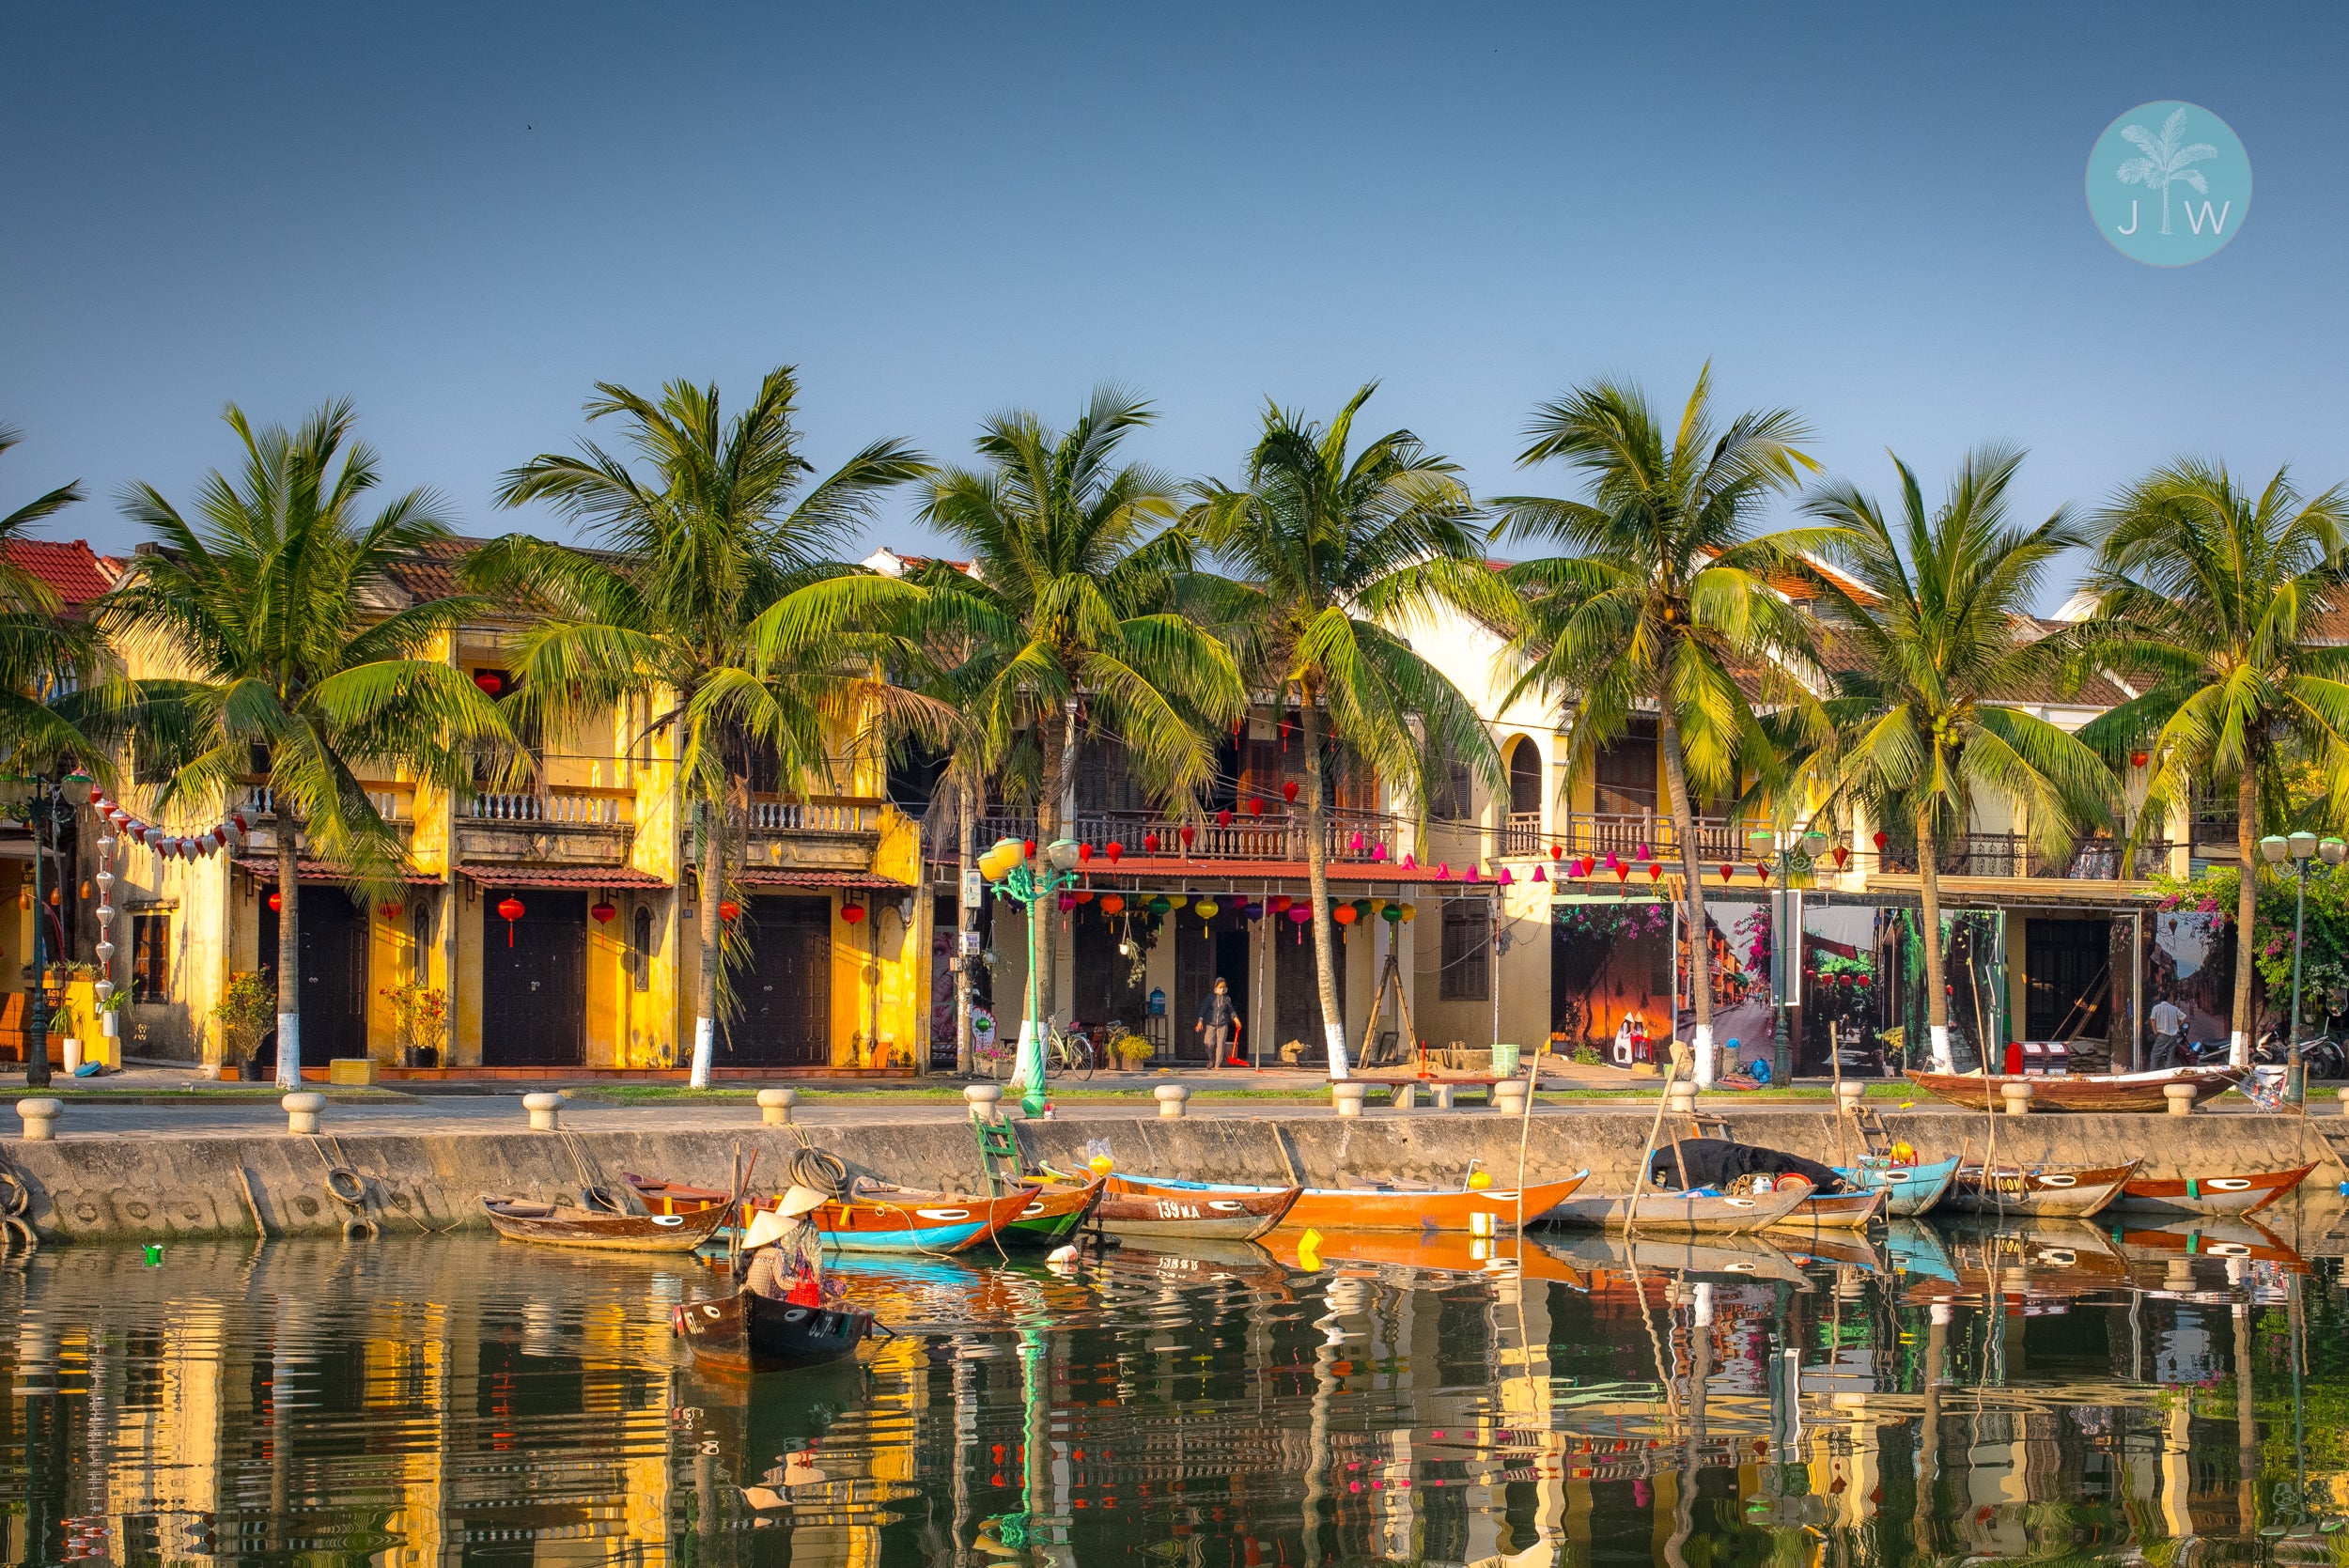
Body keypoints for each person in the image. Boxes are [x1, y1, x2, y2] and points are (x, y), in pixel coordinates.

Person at [740, 1186, 829, 1307]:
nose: (814, 1210)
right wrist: (796, 1281)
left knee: (831, 1288)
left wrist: (818, 1273)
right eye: (811, 1208)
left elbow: (816, 1251)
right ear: (802, 1210)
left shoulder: (811, 1225)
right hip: (783, 1270)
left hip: (803, 1272)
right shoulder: (781, 1225)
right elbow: (780, 1270)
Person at [1196, 978, 1240, 1069]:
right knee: (1209, 1042)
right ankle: (1211, 1059)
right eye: (1220, 987)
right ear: (1216, 988)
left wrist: (1236, 1019)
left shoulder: (1227, 998)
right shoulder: (1210, 998)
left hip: (1223, 1024)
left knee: (1220, 1045)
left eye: (1224, 987)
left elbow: (1231, 1011)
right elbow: (1203, 1009)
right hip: (1210, 1024)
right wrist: (1200, 1021)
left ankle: (1217, 1064)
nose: (1222, 989)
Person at [2150, 997, 2187, 1067]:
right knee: (2170, 1058)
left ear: (2159, 998)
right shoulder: (2174, 1008)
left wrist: (2155, 1031)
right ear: (2168, 999)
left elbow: (2152, 1020)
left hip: (2162, 1035)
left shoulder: (2156, 1008)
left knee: (2154, 1056)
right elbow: (2185, 1017)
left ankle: (2153, 1074)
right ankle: (2168, 1075)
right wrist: (2177, 1026)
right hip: (2173, 1036)